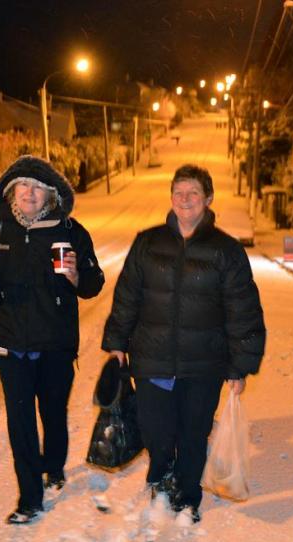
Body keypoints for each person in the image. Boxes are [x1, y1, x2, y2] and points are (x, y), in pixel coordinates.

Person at [102, 163, 265, 522]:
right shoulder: (148, 242)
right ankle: (161, 477)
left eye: (193, 193)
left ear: (208, 198)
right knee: (156, 429)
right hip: (152, 358)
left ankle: (188, 496)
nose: (185, 199)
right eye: (179, 193)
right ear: (171, 198)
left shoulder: (226, 250)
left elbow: (243, 310)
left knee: (193, 433)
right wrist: (116, 342)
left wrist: (241, 364)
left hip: (203, 364)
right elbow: (127, 296)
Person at [0, 156, 104, 525]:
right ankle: (30, 498)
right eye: (22, 185)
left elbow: (95, 283)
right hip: (10, 342)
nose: (29, 192)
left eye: (37, 187)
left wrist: (76, 277)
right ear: (12, 190)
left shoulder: (71, 231)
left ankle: (54, 466)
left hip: (56, 343)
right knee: (20, 419)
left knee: (54, 413)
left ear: (50, 194)